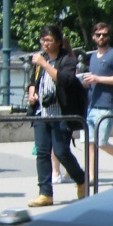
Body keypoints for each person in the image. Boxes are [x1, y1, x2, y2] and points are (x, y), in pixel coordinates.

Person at [26, 23, 87, 207]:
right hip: (42, 113)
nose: (45, 44)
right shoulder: (39, 61)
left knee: (61, 152)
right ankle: (45, 193)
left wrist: (45, 64)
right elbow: (32, 82)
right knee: (42, 152)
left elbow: (65, 80)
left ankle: (81, 179)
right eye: (43, 39)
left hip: (61, 113)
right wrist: (31, 94)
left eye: (49, 40)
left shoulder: (67, 60)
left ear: (59, 42)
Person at [80, 22, 113, 184]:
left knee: (101, 143)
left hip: (105, 105)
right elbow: (94, 77)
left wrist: (98, 79)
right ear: (93, 37)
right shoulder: (92, 57)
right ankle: (91, 177)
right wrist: (87, 81)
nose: (101, 37)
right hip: (90, 105)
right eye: (98, 35)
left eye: (104, 35)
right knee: (89, 143)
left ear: (108, 37)